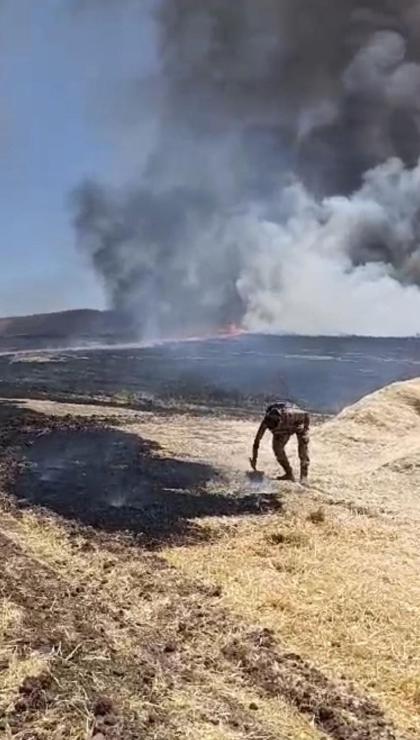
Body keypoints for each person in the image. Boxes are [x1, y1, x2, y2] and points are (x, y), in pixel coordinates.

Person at [250, 402, 310, 484]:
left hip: (298, 423)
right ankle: (289, 473)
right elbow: (256, 442)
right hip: (283, 430)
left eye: (274, 425)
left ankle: (304, 476)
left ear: (280, 420)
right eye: (270, 427)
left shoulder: (290, 414)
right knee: (277, 449)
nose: (271, 428)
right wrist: (254, 459)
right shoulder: (265, 422)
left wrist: (304, 426)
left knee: (303, 446)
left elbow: (306, 415)